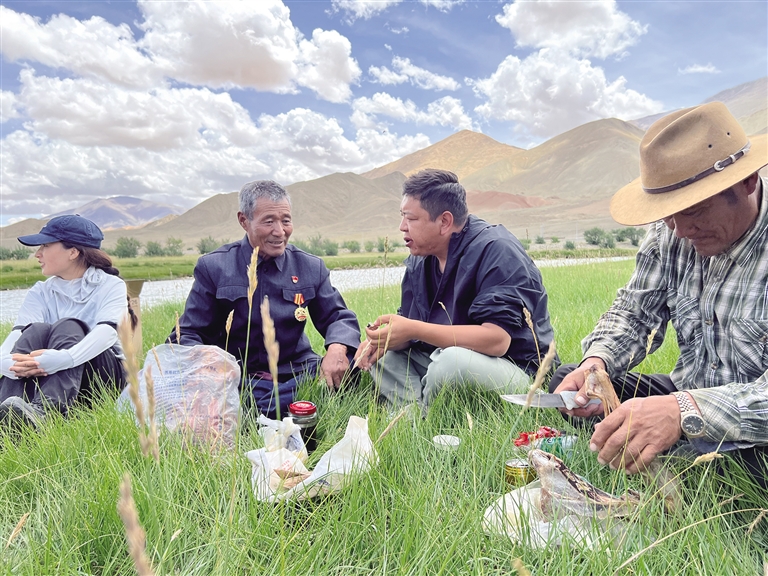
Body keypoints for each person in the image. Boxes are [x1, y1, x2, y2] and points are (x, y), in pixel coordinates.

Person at [550, 102, 768, 484]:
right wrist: (597, 365)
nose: (679, 230)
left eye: (694, 210)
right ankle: (676, 454)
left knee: (750, 463)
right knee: (571, 384)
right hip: (686, 390)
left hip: (749, 416)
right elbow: (634, 313)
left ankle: (689, 462)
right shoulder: (669, 233)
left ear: (747, 182)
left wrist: (683, 411)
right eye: (667, 213)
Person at [355, 169, 556, 409]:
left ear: (444, 222)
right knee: (384, 356)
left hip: (515, 369)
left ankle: (429, 416)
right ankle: (410, 420)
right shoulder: (420, 259)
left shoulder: (497, 251)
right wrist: (388, 338)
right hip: (441, 357)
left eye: (411, 218)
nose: (402, 227)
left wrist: (412, 329)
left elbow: (497, 341)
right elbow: (416, 331)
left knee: (450, 362)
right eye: (402, 217)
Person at [171, 180, 360, 419]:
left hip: (297, 371)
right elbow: (187, 333)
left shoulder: (310, 267)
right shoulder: (214, 267)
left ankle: (262, 407)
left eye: (286, 221)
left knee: (351, 366)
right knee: (212, 385)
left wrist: (337, 348)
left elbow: (338, 317)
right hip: (237, 375)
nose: (279, 231)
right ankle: (290, 404)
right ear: (244, 220)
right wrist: (211, 367)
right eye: (269, 221)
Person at [0, 215, 132, 430]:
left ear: (73, 252)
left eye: (46, 245)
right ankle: (7, 411)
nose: (37, 254)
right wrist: (4, 361)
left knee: (68, 326)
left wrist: (65, 358)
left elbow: (107, 333)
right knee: (36, 330)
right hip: (47, 375)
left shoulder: (111, 285)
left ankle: (46, 412)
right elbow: (19, 332)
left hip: (102, 379)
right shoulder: (40, 291)